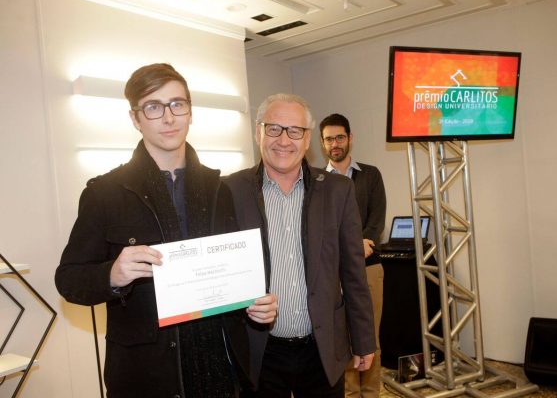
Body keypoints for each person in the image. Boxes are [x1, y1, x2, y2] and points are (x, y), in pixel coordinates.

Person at [55, 63, 277, 398]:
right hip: (147, 374)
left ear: (190, 112)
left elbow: (236, 271)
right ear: (135, 118)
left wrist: (256, 304)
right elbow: (68, 279)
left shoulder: (220, 188)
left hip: (223, 368)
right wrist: (112, 274)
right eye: (153, 107)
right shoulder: (106, 193)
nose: (169, 117)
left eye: (177, 104)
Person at [224, 93, 376, 398]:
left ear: (308, 140)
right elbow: (221, 271)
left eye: (295, 131)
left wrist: (363, 340)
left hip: (321, 350)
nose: (284, 140)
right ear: (258, 132)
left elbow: (353, 273)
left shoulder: (338, 190)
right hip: (260, 352)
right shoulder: (229, 190)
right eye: (274, 128)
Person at [320, 113, 386, 398]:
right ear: (322, 144)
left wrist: (364, 241)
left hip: (368, 266)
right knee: (341, 338)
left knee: (370, 336)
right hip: (331, 273)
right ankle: (349, 393)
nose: (335, 144)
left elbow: (377, 217)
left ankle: (371, 394)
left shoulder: (370, 175)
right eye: (328, 139)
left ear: (350, 138)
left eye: (340, 137)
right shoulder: (317, 181)